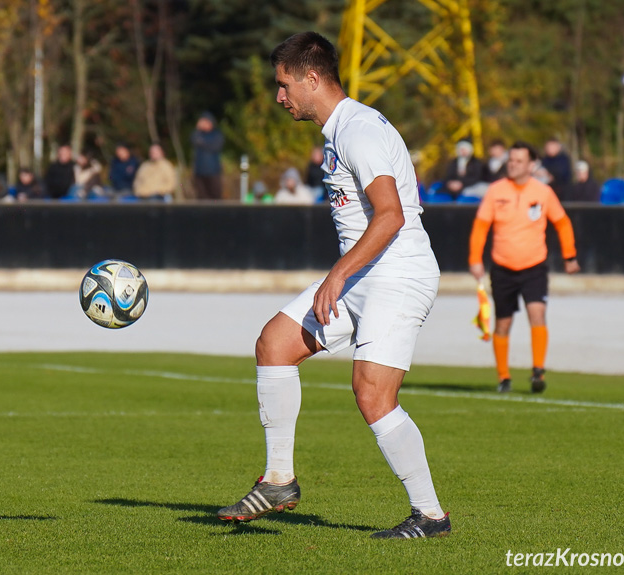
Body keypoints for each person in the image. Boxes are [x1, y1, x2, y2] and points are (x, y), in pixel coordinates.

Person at [217, 32, 450, 540]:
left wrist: (337, 274)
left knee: (372, 393)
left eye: (283, 86)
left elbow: (389, 217)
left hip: (398, 271)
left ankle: (430, 515)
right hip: (365, 272)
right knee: (274, 343)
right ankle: (279, 480)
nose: (280, 97)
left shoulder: (359, 130)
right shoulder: (339, 131)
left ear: (312, 78)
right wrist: (345, 273)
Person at [468, 141, 580, 394]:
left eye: (519, 161)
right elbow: (480, 227)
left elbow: (562, 223)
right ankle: (503, 377)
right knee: (503, 323)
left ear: (531, 165)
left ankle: (538, 371)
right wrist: (475, 259)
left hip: (534, 267)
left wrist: (570, 255)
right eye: (511, 160)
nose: (512, 164)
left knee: (537, 313)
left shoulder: (543, 193)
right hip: (502, 267)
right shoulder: (496, 191)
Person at [191, 112, 224, 200]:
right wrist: (197, 129)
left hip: (213, 171)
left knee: (215, 196)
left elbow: (215, 146)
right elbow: (193, 140)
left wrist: (202, 142)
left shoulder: (216, 134)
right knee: (201, 197)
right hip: (199, 171)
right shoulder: (198, 134)